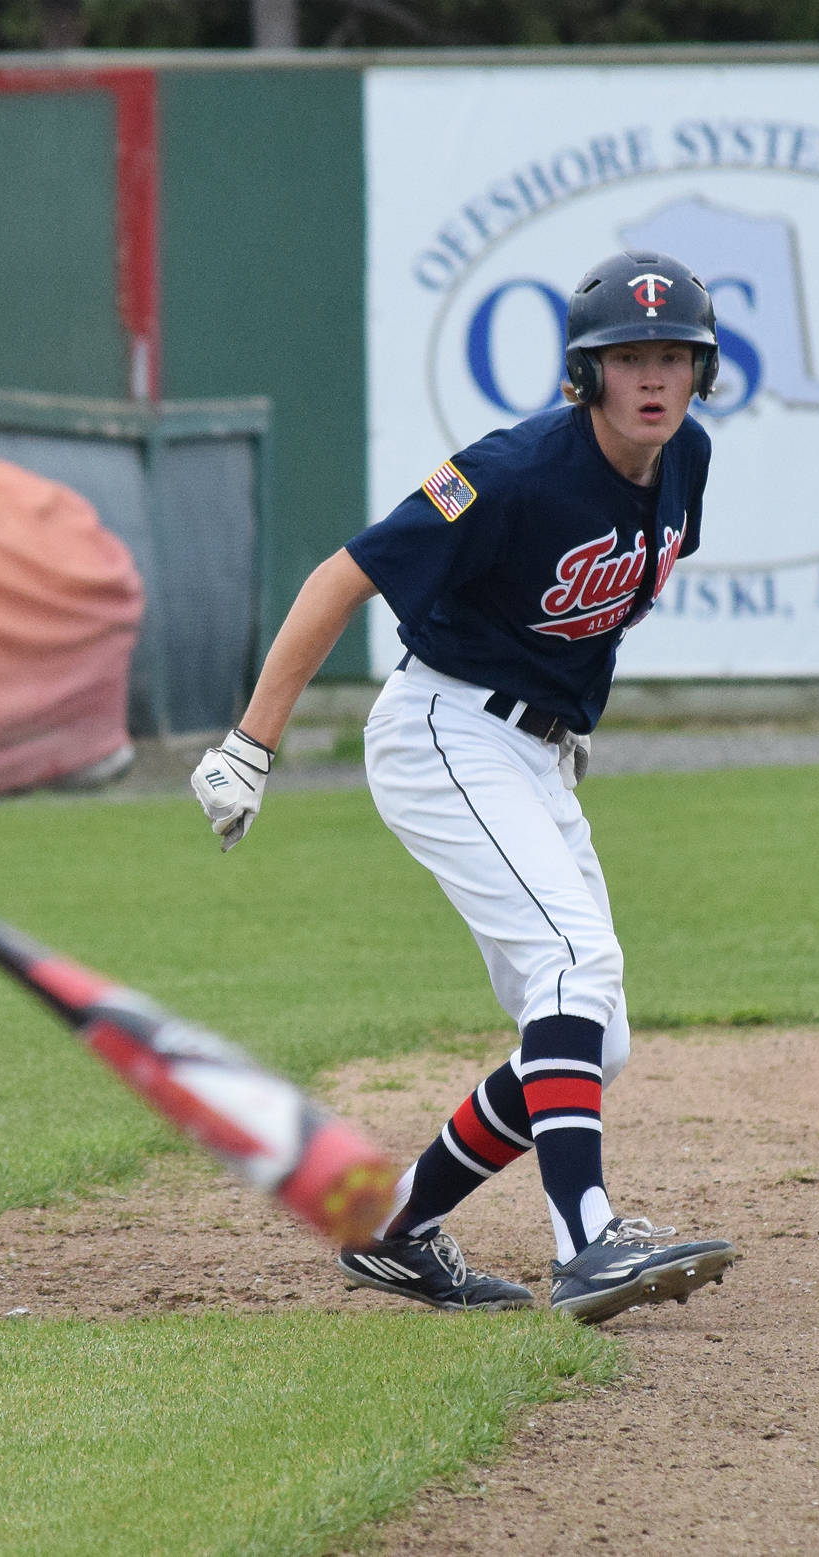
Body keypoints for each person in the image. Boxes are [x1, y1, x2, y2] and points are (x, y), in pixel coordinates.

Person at [192, 249, 738, 1325]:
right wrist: (251, 744)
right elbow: (343, 575)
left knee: (589, 1035)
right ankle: (585, 1241)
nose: (650, 376)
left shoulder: (685, 461)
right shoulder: (513, 469)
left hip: (536, 754)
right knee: (571, 964)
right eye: (624, 356)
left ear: (699, 371)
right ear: (584, 373)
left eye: (671, 355)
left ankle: (393, 1228)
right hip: (444, 730)